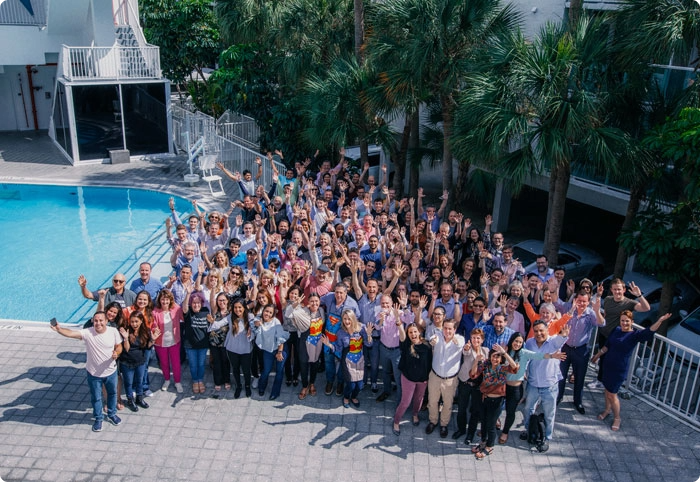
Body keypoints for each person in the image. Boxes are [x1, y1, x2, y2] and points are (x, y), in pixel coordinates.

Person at [591, 311, 670, 431]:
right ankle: (607, 410)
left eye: (627, 321)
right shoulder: (616, 330)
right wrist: (598, 355)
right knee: (607, 390)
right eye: (622, 320)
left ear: (632, 322)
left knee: (612, 394)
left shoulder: (634, 335)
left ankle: (617, 418)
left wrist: (660, 321)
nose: (624, 323)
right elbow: (607, 345)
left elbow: (649, 331)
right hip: (607, 365)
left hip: (619, 369)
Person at [51, 312, 123, 432]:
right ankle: (98, 418)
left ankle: (112, 414)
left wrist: (117, 352)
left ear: (106, 321)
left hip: (110, 372)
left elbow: (119, 345)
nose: (98, 323)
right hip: (94, 374)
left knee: (112, 394)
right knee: (96, 397)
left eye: (101, 320)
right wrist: (59, 329)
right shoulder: (88, 332)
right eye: (96, 321)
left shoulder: (113, 331)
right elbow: (71, 333)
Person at [501, 332, 566, 444]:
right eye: (516, 341)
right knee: (497, 410)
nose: (517, 344)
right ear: (511, 341)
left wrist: (552, 356)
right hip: (502, 387)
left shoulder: (524, 353)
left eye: (520, 342)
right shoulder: (506, 350)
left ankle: (505, 432)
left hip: (515, 389)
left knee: (510, 412)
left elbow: (539, 355)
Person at [588, 279, 650, 390]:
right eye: (615, 289)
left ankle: (610, 383)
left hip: (617, 337)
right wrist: (598, 295)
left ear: (624, 290)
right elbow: (605, 314)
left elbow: (646, 308)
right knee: (603, 359)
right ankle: (601, 380)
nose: (617, 292)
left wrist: (639, 295)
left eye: (619, 289)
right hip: (604, 333)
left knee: (613, 360)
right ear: (611, 290)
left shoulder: (629, 303)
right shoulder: (608, 300)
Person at [521, 320, 568, 449]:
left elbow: (560, 340)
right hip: (533, 383)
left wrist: (563, 335)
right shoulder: (529, 342)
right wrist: (524, 371)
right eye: (536, 331)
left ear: (547, 330)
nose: (539, 333)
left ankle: (547, 437)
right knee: (528, 409)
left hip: (549, 385)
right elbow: (526, 358)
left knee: (549, 413)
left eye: (541, 330)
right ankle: (529, 430)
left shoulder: (553, 342)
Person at [557, 291, 605, 413]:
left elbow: (602, 323)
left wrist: (597, 311)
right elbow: (556, 303)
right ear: (575, 300)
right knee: (561, 375)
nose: (581, 303)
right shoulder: (570, 310)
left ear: (588, 302)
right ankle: (558, 397)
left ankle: (577, 401)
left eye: (584, 301)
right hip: (566, 347)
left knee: (579, 377)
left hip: (581, 350)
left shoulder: (591, 314)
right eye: (579, 301)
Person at [469, 344, 519, 459]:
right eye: (493, 356)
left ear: (501, 359)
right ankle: (483, 441)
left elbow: (515, 368)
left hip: (496, 401)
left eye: (498, 357)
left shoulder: (503, 368)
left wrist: (504, 353)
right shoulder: (485, 366)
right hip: (485, 398)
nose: (495, 359)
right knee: (484, 422)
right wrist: (476, 361)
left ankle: (490, 446)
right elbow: (473, 374)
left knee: (491, 424)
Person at [322, 310, 375, 408]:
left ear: (353, 319)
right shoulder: (340, 332)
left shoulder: (361, 328)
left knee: (359, 385)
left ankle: (354, 397)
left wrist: (368, 335)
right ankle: (346, 397)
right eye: (344, 319)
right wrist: (329, 344)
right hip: (347, 362)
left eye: (349, 319)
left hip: (359, 361)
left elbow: (369, 344)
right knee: (351, 385)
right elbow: (338, 349)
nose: (347, 321)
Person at [425, 319, 465, 438]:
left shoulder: (460, 339)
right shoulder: (437, 336)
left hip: (450, 380)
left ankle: (444, 424)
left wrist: (453, 339)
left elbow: (459, 344)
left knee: (448, 403)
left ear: (454, 329)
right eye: (445, 328)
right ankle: (433, 421)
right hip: (435, 376)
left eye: (450, 329)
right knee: (432, 401)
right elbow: (432, 339)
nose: (447, 331)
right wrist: (433, 340)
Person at [392, 323, 432, 434]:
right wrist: (398, 321)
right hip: (408, 378)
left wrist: (427, 378)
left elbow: (429, 362)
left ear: (419, 332)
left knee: (419, 400)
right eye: (410, 332)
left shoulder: (427, 345)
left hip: (422, 379)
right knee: (405, 402)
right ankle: (396, 421)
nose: (413, 334)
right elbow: (401, 333)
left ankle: (415, 414)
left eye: (415, 331)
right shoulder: (406, 344)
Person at [454, 328, 489, 444]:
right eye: (473, 337)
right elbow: (466, 352)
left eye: (478, 338)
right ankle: (461, 429)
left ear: (482, 340)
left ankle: (470, 434)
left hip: (478, 385)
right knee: (461, 408)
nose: (475, 340)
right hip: (465, 382)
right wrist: (466, 348)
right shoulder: (468, 348)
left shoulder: (485, 351)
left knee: (475, 410)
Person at [252, 304, 289, 400]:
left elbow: (280, 338)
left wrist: (279, 352)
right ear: (263, 311)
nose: (267, 314)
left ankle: (275, 393)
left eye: (270, 312)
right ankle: (261, 388)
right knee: (266, 370)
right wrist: (256, 324)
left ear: (273, 314)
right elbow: (253, 323)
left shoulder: (276, 322)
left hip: (280, 349)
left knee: (279, 371)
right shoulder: (259, 320)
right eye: (266, 311)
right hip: (268, 350)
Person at [118, 312, 153, 412]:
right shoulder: (127, 331)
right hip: (127, 362)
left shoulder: (146, 331)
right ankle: (130, 400)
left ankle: (139, 398)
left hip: (140, 361)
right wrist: (126, 338)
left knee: (140, 381)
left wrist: (153, 340)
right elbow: (127, 349)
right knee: (128, 383)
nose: (134, 324)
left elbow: (147, 347)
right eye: (132, 322)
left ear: (141, 321)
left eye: (136, 321)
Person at [152, 289, 184, 393]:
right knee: (164, 363)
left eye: (167, 299)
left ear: (170, 300)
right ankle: (167, 380)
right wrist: (154, 330)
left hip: (174, 341)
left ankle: (177, 382)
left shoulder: (176, 309)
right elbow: (153, 326)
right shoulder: (155, 312)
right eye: (163, 299)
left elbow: (184, 318)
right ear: (159, 300)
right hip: (160, 342)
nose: (165, 302)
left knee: (176, 363)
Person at [182, 288, 210, 394]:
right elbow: (184, 307)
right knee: (193, 364)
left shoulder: (205, 311)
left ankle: (200, 380)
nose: (196, 305)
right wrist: (188, 293)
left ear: (202, 303)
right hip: (190, 345)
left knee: (201, 364)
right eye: (194, 303)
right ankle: (195, 381)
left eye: (198, 303)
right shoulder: (188, 312)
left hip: (203, 344)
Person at [225, 300, 255, 398]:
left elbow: (255, 330)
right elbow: (219, 323)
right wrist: (212, 322)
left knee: (246, 369)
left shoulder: (250, 317)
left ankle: (247, 386)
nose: (237, 310)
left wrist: (251, 333)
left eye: (240, 307)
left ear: (244, 308)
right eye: (235, 307)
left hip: (245, 348)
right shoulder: (230, 317)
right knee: (235, 368)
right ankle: (238, 385)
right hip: (232, 348)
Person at [208, 292, 232, 392]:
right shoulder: (215, 311)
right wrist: (214, 288)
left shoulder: (231, 312)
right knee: (216, 362)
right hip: (214, 342)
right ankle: (217, 381)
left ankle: (227, 380)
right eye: (219, 300)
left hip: (226, 342)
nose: (221, 302)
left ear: (227, 301)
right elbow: (211, 300)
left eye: (223, 300)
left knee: (225, 362)